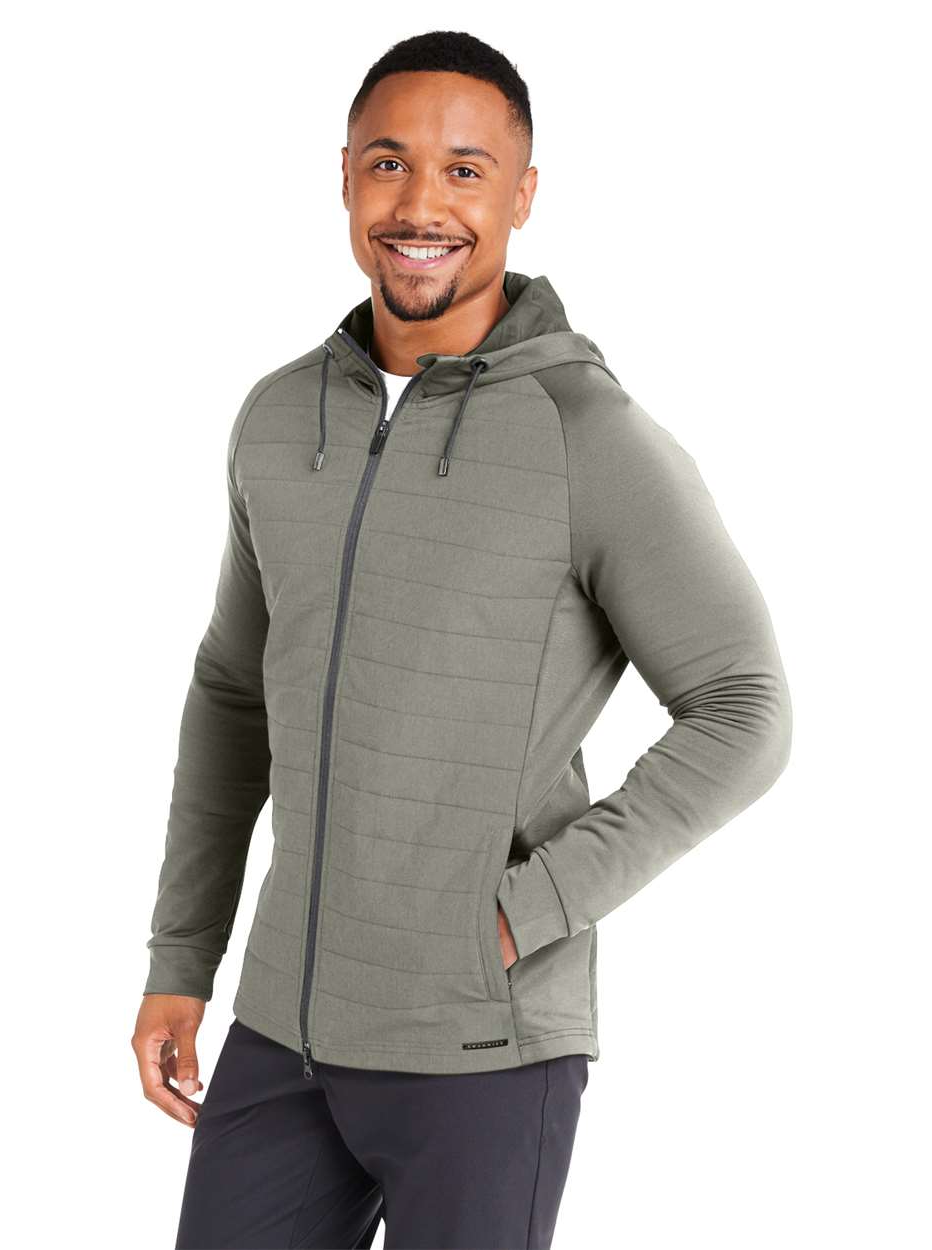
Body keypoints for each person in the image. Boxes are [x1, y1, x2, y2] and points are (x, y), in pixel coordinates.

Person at [131, 29, 793, 1250]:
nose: (420, 205)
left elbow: (744, 707)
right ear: (343, 178)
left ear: (522, 196)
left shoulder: (587, 436)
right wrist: (185, 955)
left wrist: (525, 912)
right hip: (281, 1029)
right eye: (388, 163)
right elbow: (232, 690)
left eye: (465, 171)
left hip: (483, 1044)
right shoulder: (278, 419)